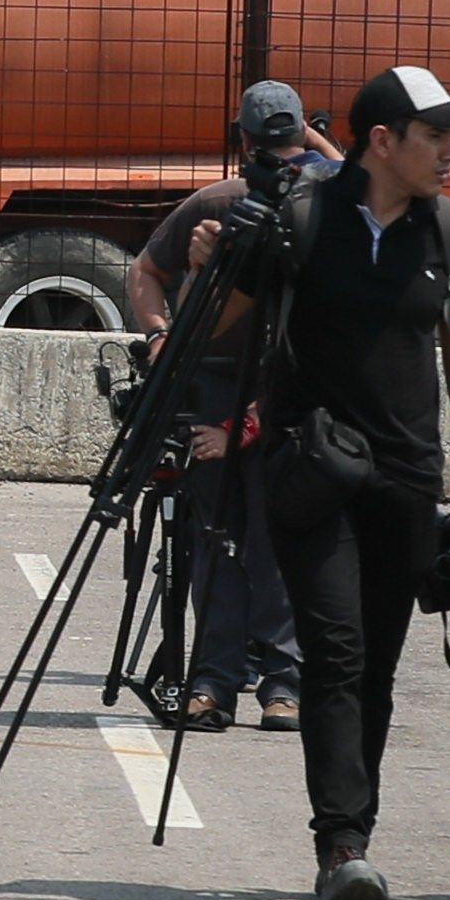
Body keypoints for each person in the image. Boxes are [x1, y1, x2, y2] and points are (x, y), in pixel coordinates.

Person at [211, 63, 450, 900]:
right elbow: (221, 317)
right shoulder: (300, 218)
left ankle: (354, 832)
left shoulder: (447, 229)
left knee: (374, 661)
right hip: (312, 469)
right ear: (383, 141)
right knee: (334, 651)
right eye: (437, 136)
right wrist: (204, 272)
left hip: (407, 477)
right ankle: (340, 843)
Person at [126, 79, 317, 731]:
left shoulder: (314, 212)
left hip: (280, 395)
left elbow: (144, 271)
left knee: (254, 539)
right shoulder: (222, 207)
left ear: (238, 139)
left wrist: (247, 421)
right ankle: (228, 678)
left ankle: (264, 680)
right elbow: (147, 273)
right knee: (224, 535)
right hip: (216, 389)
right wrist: (159, 340)